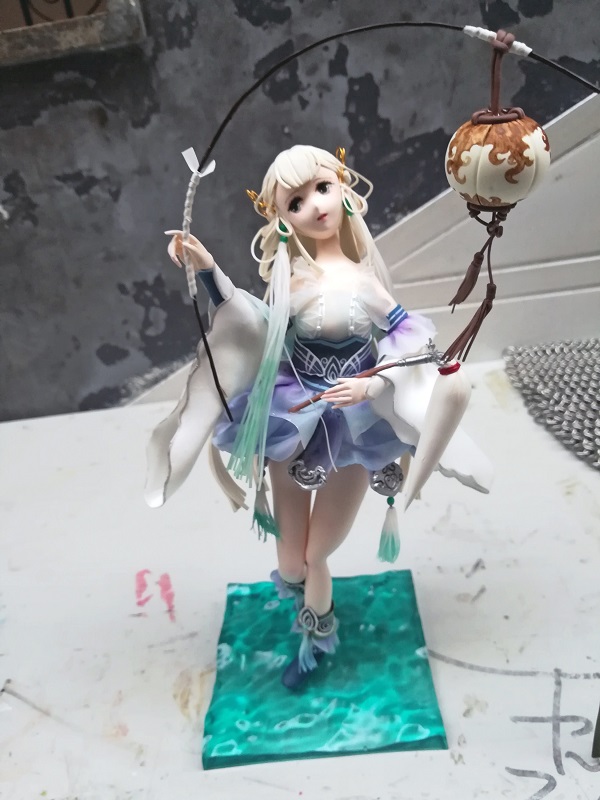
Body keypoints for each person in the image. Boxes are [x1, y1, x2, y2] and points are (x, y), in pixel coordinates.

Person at [149, 145, 492, 689]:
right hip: (294, 417)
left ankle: (314, 642)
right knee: (291, 562)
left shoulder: (364, 282)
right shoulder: (290, 284)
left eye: (323, 188)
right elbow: (252, 323)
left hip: (355, 428)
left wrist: (374, 383)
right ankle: (305, 603)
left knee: (316, 553)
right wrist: (208, 268)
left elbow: (410, 341)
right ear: (283, 219)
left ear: (344, 190)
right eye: (296, 201)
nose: (315, 205)